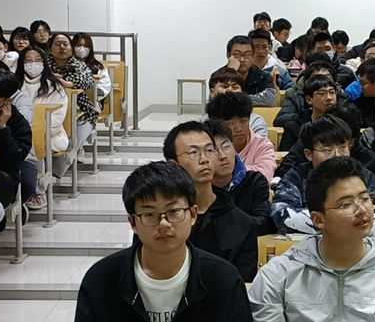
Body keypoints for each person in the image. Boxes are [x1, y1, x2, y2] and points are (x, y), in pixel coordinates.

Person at [250, 157, 375, 322]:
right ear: (318, 219)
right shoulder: (278, 276)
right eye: (346, 204)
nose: (362, 210)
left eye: (365, 198)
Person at [74, 161, 253, 322]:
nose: (163, 224)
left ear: (192, 214)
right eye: (149, 214)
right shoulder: (101, 280)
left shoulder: (224, 280)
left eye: (173, 211)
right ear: (133, 222)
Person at [163, 121, 257, 281]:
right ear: (173, 165)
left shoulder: (242, 224)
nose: (204, 159)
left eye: (209, 150)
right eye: (193, 152)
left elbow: (242, 284)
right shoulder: (159, 218)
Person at [270, 116, 375, 235]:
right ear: (309, 154)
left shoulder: (364, 176)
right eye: (327, 150)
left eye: (343, 147)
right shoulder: (296, 177)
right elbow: (281, 215)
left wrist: (340, 224)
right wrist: (347, 222)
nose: (337, 155)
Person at [16, 45, 69, 210]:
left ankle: (37, 190)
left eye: (38, 60)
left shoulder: (54, 86)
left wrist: (34, 131)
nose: (33, 64)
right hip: (19, 133)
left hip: (51, 134)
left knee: (34, 143)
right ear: (22, 63)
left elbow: (58, 117)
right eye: (28, 60)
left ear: (44, 63)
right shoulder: (14, 85)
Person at [205, 119, 272, 235]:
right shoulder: (198, 187)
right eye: (213, 150)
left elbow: (264, 224)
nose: (223, 156)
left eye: (226, 146)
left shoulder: (254, 181)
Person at [48, 33, 98, 175]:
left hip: (82, 112)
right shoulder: (44, 66)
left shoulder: (80, 65)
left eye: (65, 44)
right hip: (52, 113)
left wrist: (65, 83)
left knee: (74, 139)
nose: (62, 47)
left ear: (71, 49)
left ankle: (53, 171)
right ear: (50, 49)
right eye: (57, 44)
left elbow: (88, 81)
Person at [0, 70, 32, 232]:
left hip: (4, 180)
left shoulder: (18, 123)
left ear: (7, 101)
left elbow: (15, 159)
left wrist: (2, 128)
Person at [205, 92, 275, 181]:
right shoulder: (206, 147)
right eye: (230, 123)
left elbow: (265, 174)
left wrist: (225, 171)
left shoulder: (262, 144)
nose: (238, 129)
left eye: (243, 121)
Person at [277, 74, 338, 153]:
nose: (329, 98)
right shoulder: (294, 127)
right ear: (309, 99)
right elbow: (286, 157)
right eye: (322, 93)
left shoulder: (343, 123)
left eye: (332, 92)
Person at [220, 35, 282, 106]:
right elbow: (215, 99)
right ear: (228, 56)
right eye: (237, 54)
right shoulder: (218, 76)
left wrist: (234, 99)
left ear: (253, 57)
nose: (242, 59)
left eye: (247, 55)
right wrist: (231, 73)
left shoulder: (263, 77)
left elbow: (269, 99)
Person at [206, 68, 268, 137]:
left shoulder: (255, 121)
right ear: (212, 92)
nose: (230, 90)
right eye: (224, 87)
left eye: (235, 87)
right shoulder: (204, 122)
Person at [72, 32, 111, 103]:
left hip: (91, 101)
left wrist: (89, 93)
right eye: (79, 45)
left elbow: (104, 87)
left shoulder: (98, 67)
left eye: (86, 46)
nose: (82, 49)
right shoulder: (67, 65)